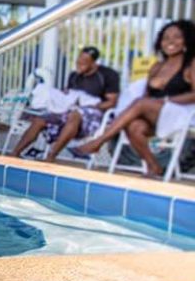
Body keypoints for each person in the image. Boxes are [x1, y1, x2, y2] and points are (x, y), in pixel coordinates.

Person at [74, 20, 195, 177]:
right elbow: (147, 96)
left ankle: (99, 141)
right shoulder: (157, 67)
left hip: (180, 114)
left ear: (187, 40)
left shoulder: (191, 65)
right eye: (166, 38)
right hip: (155, 115)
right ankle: (154, 166)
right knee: (134, 126)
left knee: (140, 103)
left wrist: (166, 102)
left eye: (177, 37)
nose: (170, 41)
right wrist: (148, 105)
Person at [11, 46, 119, 162]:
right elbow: (68, 94)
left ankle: (51, 156)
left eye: (83, 63)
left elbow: (112, 102)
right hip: (70, 111)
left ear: (93, 63)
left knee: (75, 114)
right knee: (40, 119)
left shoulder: (107, 75)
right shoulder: (75, 76)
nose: (79, 65)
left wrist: (92, 105)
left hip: (96, 115)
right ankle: (15, 153)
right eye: (78, 62)